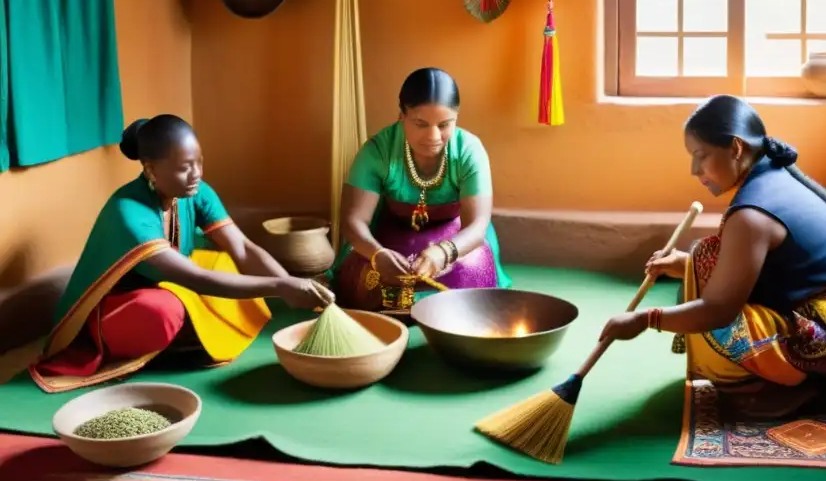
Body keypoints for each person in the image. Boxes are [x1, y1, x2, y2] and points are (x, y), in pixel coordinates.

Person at [599, 95, 826, 418]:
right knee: (703, 257)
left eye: (701, 155)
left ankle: (776, 389)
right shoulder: (772, 178)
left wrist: (644, 319)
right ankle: (806, 377)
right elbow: (766, 268)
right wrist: (686, 265)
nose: (694, 169)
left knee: (713, 318)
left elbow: (718, 312)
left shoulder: (752, 214)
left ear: (736, 148)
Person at [29, 115, 333, 393]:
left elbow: (242, 248)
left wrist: (293, 284)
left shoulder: (196, 191)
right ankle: (166, 342)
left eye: (199, 162)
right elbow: (195, 278)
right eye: (184, 166)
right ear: (150, 168)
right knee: (164, 313)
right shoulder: (128, 212)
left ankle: (184, 336)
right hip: (115, 310)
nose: (196, 174)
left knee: (227, 264)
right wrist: (279, 287)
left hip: (169, 287)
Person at [333, 67, 510, 310]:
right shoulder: (377, 150)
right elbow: (354, 220)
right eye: (420, 123)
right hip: (391, 232)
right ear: (401, 117)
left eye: (445, 124)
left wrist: (445, 252)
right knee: (364, 277)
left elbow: (477, 226)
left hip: (454, 236)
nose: (433, 136)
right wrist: (377, 254)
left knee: (473, 272)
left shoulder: (469, 150)